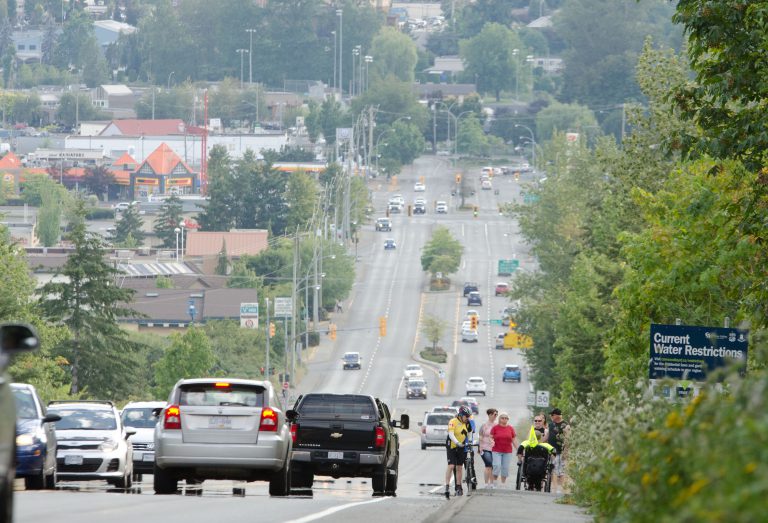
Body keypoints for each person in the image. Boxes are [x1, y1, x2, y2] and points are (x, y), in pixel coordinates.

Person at [444, 405, 472, 498]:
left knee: (459, 467)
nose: (467, 418)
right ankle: (447, 486)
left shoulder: (467, 423)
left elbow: (469, 434)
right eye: (466, 416)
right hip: (451, 445)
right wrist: (457, 442)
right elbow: (451, 434)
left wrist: (469, 443)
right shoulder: (453, 421)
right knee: (451, 466)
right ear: (460, 415)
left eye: (468, 416)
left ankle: (458, 487)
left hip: (461, 446)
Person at [517, 426, 556, 491]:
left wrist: (520, 460)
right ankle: (538, 486)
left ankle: (530, 485)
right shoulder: (546, 445)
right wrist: (552, 462)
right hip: (542, 469)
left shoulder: (527, 443)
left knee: (525, 462)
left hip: (528, 469)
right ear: (541, 437)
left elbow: (519, 451)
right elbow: (554, 452)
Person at [489, 412, 518, 487]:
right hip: (496, 450)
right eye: (502, 418)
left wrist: (518, 449)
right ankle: (494, 482)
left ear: (508, 419)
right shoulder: (495, 428)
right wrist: (491, 441)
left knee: (505, 468)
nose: (504, 419)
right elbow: (490, 437)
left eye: (506, 418)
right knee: (497, 466)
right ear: (499, 419)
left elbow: (514, 440)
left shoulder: (510, 428)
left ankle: (502, 484)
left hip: (507, 451)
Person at [547, 408, 571, 493]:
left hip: (560, 451)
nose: (551, 416)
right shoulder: (551, 424)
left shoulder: (565, 425)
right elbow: (547, 435)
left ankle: (562, 490)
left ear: (557, 415)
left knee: (560, 471)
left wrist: (565, 452)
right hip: (551, 451)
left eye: (552, 415)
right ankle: (554, 489)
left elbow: (567, 439)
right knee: (553, 470)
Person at [478, 408, 497, 487]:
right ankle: (486, 483)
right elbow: (481, 436)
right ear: (489, 415)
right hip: (485, 448)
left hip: (494, 448)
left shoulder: (497, 425)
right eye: (494, 414)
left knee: (492, 466)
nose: (495, 416)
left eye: (496, 415)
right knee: (488, 464)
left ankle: (492, 483)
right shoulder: (484, 425)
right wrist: (480, 447)